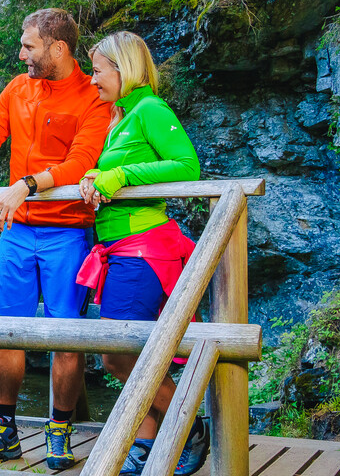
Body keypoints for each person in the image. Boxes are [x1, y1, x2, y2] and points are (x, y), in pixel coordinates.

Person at [0, 8, 111, 470]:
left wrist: (25, 184)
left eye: (29, 46)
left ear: (58, 48)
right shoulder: (17, 87)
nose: (21, 53)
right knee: (2, 330)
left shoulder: (94, 97)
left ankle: (60, 431)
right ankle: (3, 429)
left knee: (65, 336)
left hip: (67, 231)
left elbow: (82, 162)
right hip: (16, 232)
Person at [76, 31, 207, 476]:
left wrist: (118, 177)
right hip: (118, 251)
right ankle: (147, 447)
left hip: (143, 249)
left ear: (123, 68)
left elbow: (188, 166)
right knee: (134, 354)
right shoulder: (122, 115)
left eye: (97, 70)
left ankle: (188, 425)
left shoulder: (150, 109)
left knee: (116, 354)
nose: (93, 80)